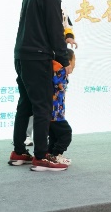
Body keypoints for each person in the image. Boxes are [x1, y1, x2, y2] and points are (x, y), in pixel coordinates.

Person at [8, 0, 72, 172]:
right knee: (43, 105)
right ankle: (41, 156)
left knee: (26, 104)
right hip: (37, 57)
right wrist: (64, 59)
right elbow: (55, 28)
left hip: (22, 54)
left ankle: (19, 151)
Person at [24, 8, 77, 147]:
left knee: (53, 98)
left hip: (56, 58)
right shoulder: (36, 10)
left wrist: (69, 37)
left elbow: (67, 26)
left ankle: (46, 141)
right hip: (40, 58)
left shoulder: (62, 10)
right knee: (37, 101)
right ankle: (27, 135)